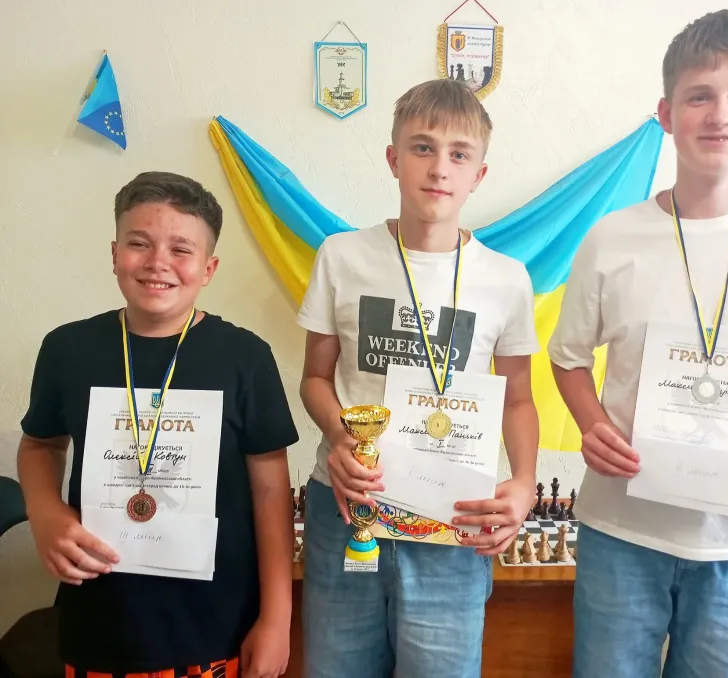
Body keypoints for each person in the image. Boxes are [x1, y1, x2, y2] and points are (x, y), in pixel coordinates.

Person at [548, 10, 728, 678]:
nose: (720, 114)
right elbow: (568, 358)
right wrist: (592, 424)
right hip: (622, 532)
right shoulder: (611, 238)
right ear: (665, 112)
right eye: (699, 96)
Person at [296, 78, 540, 677]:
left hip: (452, 519)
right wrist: (343, 438)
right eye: (422, 147)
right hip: (349, 507)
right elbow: (314, 379)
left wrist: (525, 483)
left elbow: (518, 400)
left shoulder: (506, 278)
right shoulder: (341, 256)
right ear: (393, 158)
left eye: (460, 154)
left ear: (480, 174)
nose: (439, 168)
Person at [17, 171, 298, 678]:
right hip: (101, 617)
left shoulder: (245, 358)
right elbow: (40, 444)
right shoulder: (67, 350)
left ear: (209, 268)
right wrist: (43, 508)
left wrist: (277, 619)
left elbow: (271, 490)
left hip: (215, 625)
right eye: (139, 243)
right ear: (114, 253)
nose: (157, 262)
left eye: (180, 249)